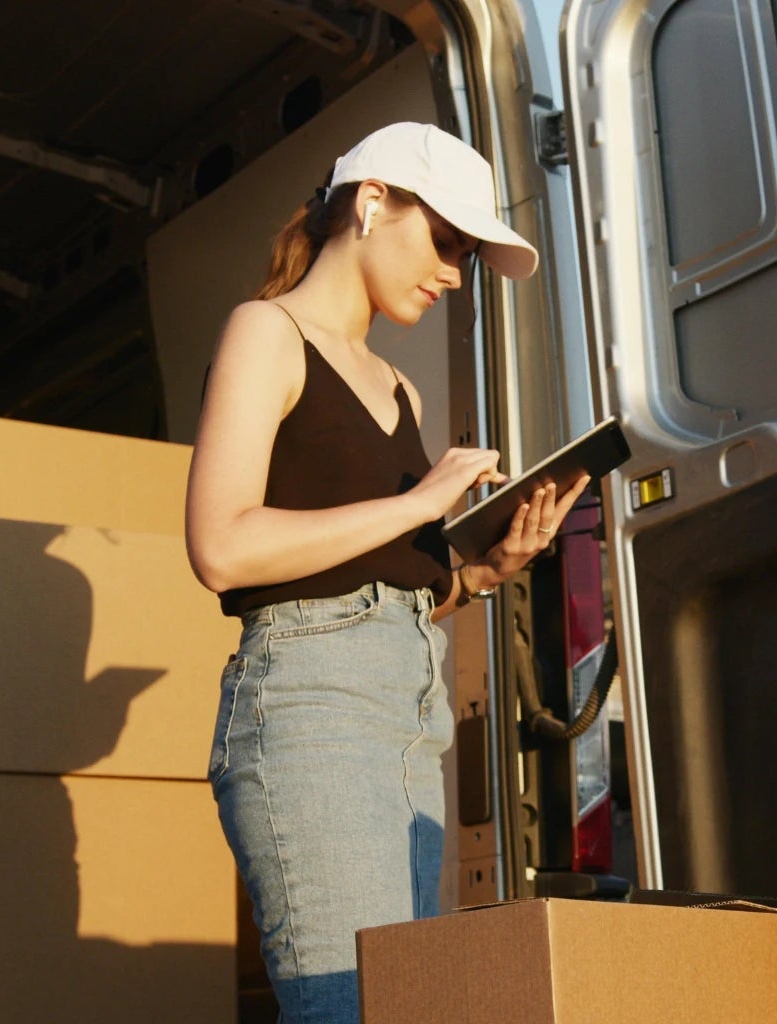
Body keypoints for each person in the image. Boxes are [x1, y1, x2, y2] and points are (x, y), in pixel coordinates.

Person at [185, 122, 589, 1024]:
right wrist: (422, 503)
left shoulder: (401, 391)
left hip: (408, 723)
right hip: (310, 710)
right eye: (446, 242)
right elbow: (221, 547)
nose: (454, 274)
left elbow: (381, 590)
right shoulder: (267, 331)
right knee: (348, 1010)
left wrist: (484, 571)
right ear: (372, 203)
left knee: (403, 1008)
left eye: (466, 257)